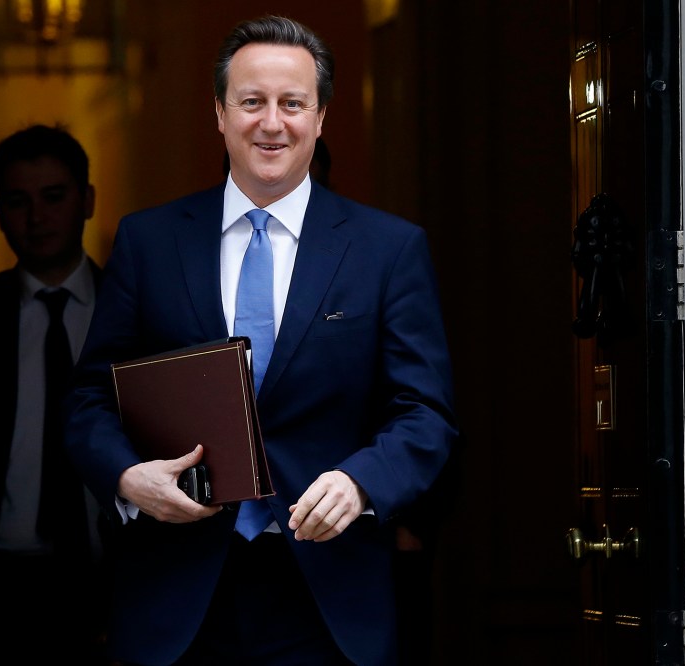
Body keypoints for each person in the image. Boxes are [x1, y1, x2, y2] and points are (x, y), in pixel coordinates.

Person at [66, 16, 458, 666]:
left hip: (329, 596)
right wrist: (128, 477)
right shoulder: (149, 242)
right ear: (220, 113)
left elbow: (426, 413)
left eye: (292, 103)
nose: (271, 123)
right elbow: (89, 401)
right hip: (176, 596)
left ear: (321, 116)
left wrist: (363, 483)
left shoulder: (388, 250)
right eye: (251, 102)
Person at [0, 124, 110, 663]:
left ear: (86, 200)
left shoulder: (132, 310)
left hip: (110, 573)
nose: (35, 218)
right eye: (18, 202)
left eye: (53, 197)